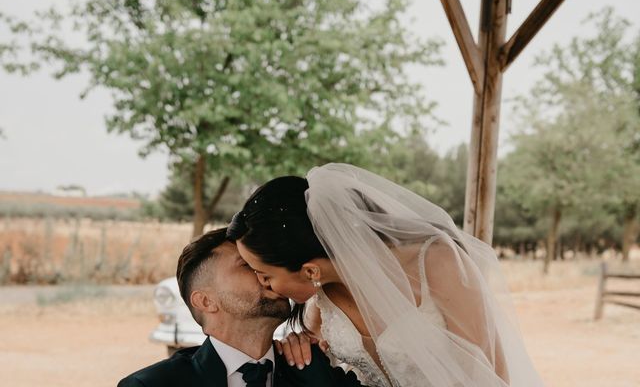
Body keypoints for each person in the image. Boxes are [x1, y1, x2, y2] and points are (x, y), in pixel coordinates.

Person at [227, 163, 545, 387]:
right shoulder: (320, 307)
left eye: (265, 275)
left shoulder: (435, 263)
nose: (262, 284)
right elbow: (317, 370)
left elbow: (492, 371)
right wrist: (297, 348)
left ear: (310, 269)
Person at [118, 227, 364, 387]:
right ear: (206, 301)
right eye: (247, 265)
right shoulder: (150, 385)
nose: (266, 275)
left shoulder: (315, 373)